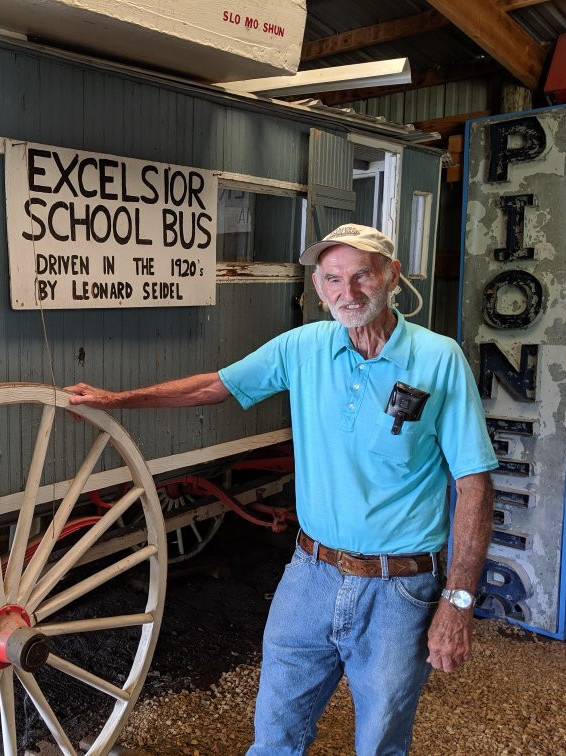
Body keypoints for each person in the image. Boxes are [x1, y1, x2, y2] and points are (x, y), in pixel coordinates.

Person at [66, 223, 497, 755]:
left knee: (382, 741)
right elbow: (212, 386)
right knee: (274, 733)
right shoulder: (304, 347)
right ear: (318, 287)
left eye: (362, 275)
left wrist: (457, 604)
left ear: (391, 276)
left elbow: (474, 484)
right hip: (310, 575)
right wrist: (118, 399)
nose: (348, 292)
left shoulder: (438, 358)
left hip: (399, 587)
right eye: (333, 279)